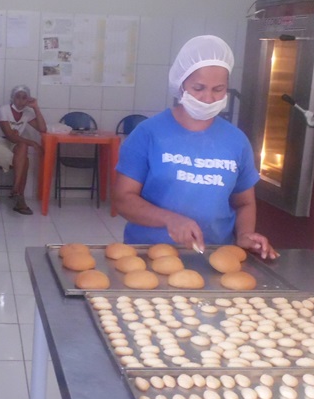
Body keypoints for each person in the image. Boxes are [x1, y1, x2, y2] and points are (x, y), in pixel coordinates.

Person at [114, 34, 278, 259]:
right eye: (198, 88)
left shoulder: (236, 141)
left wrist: (245, 234)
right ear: (181, 85)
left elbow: (244, 203)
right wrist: (169, 219)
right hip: (148, 255)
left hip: (215, 257)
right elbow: (123, 199)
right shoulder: (148, 134)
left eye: (218, 89)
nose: (208, 98)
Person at [0, 84, 46, 214]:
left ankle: (16, 190)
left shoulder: (27, 113)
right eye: (18, 97)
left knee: (23, 146)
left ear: (28, 99)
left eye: (24, 97)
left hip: (12, 143)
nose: (20, 100)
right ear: (12, 98)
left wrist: (36, 108)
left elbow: (42, 129)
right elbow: (10, 135)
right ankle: (19, 197)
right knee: (24, 161)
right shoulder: (3, 110)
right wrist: (33, 143)